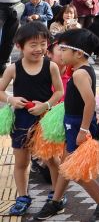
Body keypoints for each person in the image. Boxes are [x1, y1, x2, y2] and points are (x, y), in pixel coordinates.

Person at [33, 28, 99, 221]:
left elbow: (90, 102)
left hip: (78, 126)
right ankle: (56, 201)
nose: (60, 53)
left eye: (63, 49)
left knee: (76, 172)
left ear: (78, 53)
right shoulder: (80, 70)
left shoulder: (79, 74)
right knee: (65, 167)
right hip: (74, 123)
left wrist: (83, 130)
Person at [0, 22, 62, 216]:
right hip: (20, 121)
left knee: (52, 159)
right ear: (20, 46)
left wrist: (46, 105)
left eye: (43, 44)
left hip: (45, 120)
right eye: (33, 45)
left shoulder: (51, 66)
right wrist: (11, 99)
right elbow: (0, 90)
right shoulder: (13, 68)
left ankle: (57, 195)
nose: (39, 49)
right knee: (21, 162)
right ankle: (23, 196)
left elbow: (59, 91)